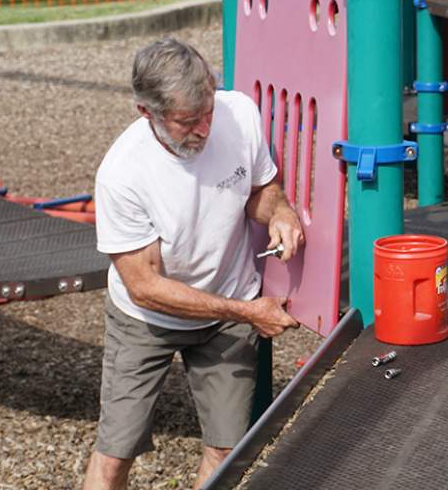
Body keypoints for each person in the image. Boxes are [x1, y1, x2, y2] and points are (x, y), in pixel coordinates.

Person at [81, 38, 304, 490]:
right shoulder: (122, 175)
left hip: (230, 304)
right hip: (146, 317)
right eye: (187, 121)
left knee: (227, 449)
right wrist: (246, 312)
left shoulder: (238, 113)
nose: (204, 128)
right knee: (115, 453)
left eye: (207, 112)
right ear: (148, 113)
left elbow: (261, 187)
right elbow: (145, 287)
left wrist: (280, 212)